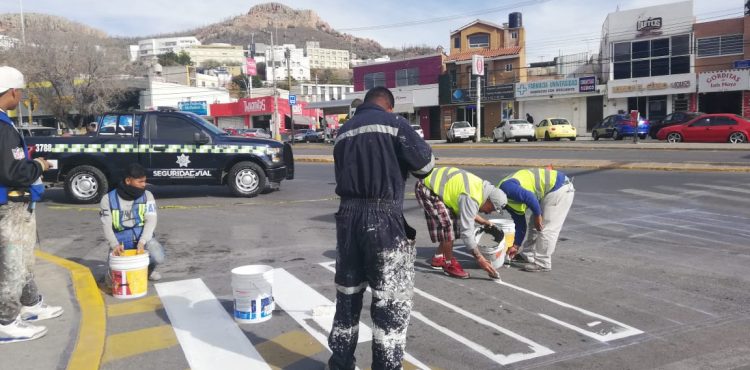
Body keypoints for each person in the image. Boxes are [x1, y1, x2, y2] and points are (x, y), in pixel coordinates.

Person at [329, 86, 434, 370]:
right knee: (390, 302)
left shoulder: (343, 131)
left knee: (347, 298)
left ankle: (340, 363)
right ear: (389, 106)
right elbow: (426, 166)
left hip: (348, 218)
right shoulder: (395, 125)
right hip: (383, 219)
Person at [0, 66, 63, 343]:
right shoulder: (3, 127)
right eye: (20, 93)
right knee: (13, 265)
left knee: (23, 260)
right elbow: (14, 172)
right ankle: (6, 321)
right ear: (13, 92)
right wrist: (38, 164)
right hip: (10, 207)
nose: (20, 98)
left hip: (14, 205)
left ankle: (31, 303)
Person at [415, 167, 508, 279]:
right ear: (489, 201)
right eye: (492, 209)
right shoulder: (471, 197)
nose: (489, 212)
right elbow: (467, 232)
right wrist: (480, 258)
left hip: (437, 186)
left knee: (451, 224)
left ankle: (439, 257)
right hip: (426, 188)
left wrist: (483, 221)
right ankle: (449, 265)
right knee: (448, 226)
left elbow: (467, 211)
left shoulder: (481, 190)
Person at [499, 168, 575, 272]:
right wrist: (516, 246)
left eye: (487, 210)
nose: (487, 213)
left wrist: (538, 216)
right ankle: (527, 255)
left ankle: (543, 263)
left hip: (559, 187)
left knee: (546, 227)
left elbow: (530, 197)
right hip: (550, 189)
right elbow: (520, 225)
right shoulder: (505, 201)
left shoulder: (507, 188)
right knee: (533, 225)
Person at [100, 163, 164, 282]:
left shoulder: (147, 196)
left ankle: (148, 271)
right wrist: (114, 245)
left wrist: (143, 241)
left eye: (145, 181)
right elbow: (106, 225)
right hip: (120, 242)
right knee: (112, 281)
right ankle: (111, 272)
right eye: (140, 182)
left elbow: (151, 220)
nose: (144, 185)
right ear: (128, 181)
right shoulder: (107, 199)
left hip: (142, 238)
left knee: (158, 256)